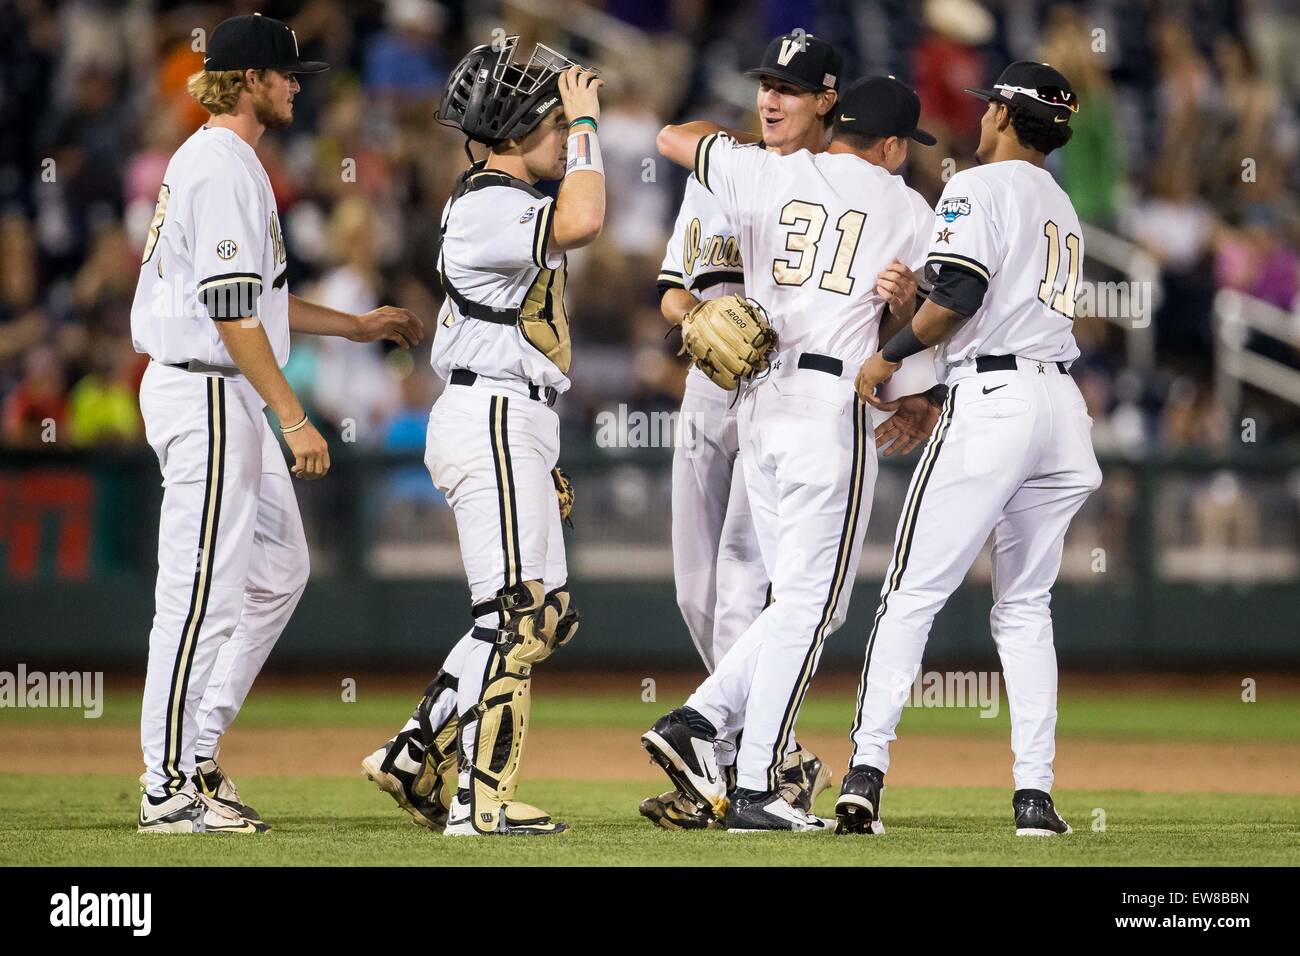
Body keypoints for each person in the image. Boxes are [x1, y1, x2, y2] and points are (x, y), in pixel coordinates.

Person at [132, 13, 423, 834]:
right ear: (250, 80)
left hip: (221, 385)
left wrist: (354, 326)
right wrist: (293, 415)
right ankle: (166, 786)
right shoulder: (221, 164)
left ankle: (195, 751)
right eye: (287, 74)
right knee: (199, 594)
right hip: (208, 389)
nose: (298, 85)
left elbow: (253, 300)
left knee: (280, 570)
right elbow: (229, 311)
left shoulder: (230, 162)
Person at [643, 75, 944, 832]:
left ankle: (704, 726)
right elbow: (936, 318)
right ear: (893, 145)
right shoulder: (906, 205)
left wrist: (753, 140)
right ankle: (752, 783)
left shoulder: (767, 169)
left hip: (758, 407)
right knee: (811, 605)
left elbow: (672, 138)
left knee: (804, 604)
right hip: (830, 408)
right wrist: (912, 351)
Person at [838, 62, 1102, 837]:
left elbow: (960, 297)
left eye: (992, 109)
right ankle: (1034, 798)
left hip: (996, 402)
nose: (981, 118)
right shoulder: (1062, 205)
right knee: (1024, 607)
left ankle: (865, 775)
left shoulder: (978, 186)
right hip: (1059, 407)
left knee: (910, 591)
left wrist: (887, 355)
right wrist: (917, 306)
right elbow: (977, 303)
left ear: (1005, 120)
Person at [362, 37, 604, 836]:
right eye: (552, 122)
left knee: (544, 615)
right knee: (515, 615)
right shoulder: (490, 203)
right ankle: (478, 801)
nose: (562, 133)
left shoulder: (499, 199)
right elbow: (588, 217)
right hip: (493, 411)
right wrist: (591, 126)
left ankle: (414, 750)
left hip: (515, 414)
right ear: (522, 128)